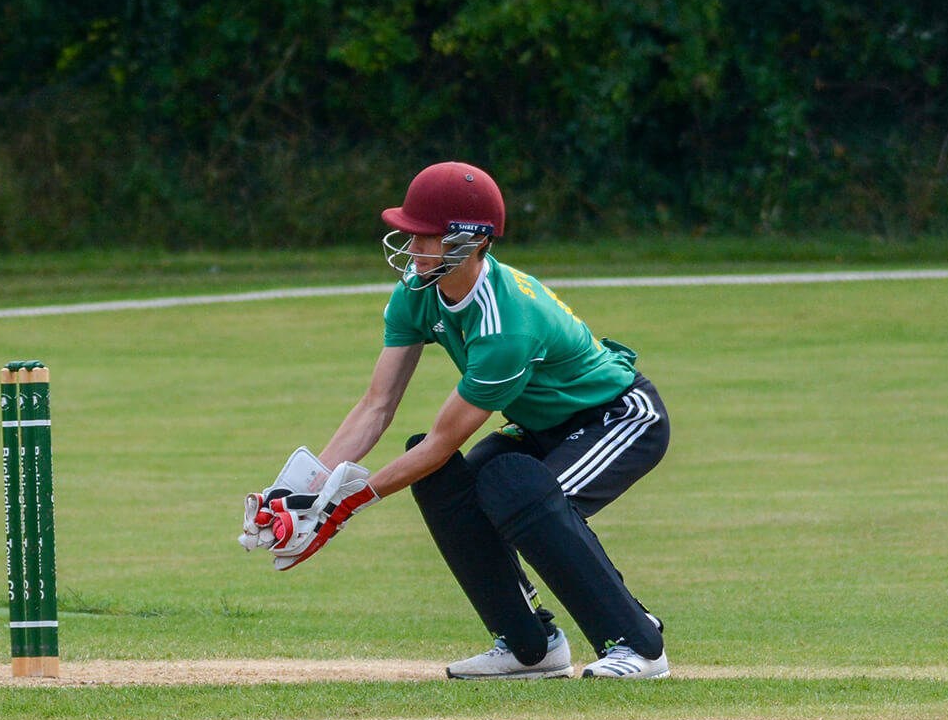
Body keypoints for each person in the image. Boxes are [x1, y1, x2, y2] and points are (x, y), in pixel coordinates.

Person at [239, 161, 670, 679]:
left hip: (619, 418)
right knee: (450, 487)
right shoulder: (417, 294)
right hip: (540, 427)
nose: (413, 246)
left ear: (471, 240)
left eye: (426, 236)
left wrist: (347, 502)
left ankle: (638, 643)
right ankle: (529, 647)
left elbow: (445, 440)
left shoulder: (504, 321)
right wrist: (304, 490)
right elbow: (377, 406)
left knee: (516, 490)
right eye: (410, 233)